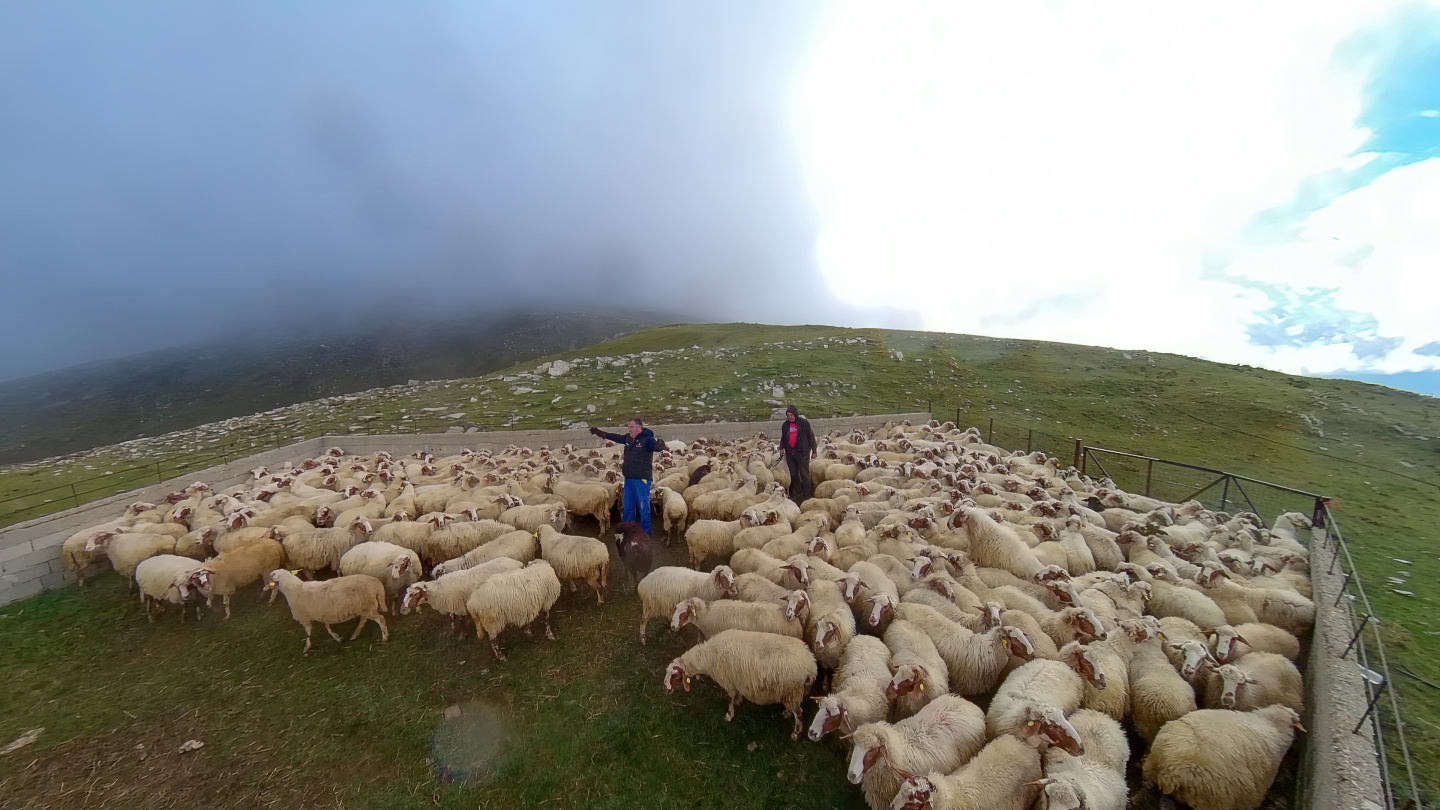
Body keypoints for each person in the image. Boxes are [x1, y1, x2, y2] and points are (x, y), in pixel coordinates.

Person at [590, 418, 661, 534]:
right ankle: (629, 530)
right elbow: (615, 437)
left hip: (641, 478)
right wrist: (600, 433)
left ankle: (645, 533)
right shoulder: (628, 438)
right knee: (628, 507)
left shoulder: (647, 440)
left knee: (644, 507)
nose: (629, 429)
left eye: (632, 427)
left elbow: (654, 447)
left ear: (639, 427)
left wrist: (659, 447)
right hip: (629, 478)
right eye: (628, 427)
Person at [777, 405, 816, 503]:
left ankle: (808, 495)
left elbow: (811, 436)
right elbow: (783, 438)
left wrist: (814, 451)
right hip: (790, 453)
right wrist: (782, 447)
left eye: (791, 414)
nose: (790, 416)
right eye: (788, 415)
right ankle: (799, 493)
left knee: (804, 474)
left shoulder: (804, 423)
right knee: (793, 474)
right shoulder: (785, 425)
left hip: (802, 452)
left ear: (795, 414)